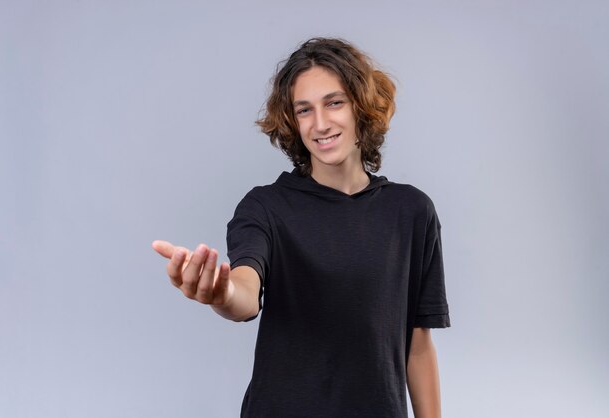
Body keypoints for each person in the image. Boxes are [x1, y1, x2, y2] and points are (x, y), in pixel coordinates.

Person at [152, 37, 450, 418]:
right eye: (304, 110)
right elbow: (244, 290)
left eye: (334, 102)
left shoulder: (411, 211)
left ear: (361, 106)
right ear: (292, 120)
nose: (321, 123)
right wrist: (221, 292)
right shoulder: (266, 207)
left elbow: (417, 341)